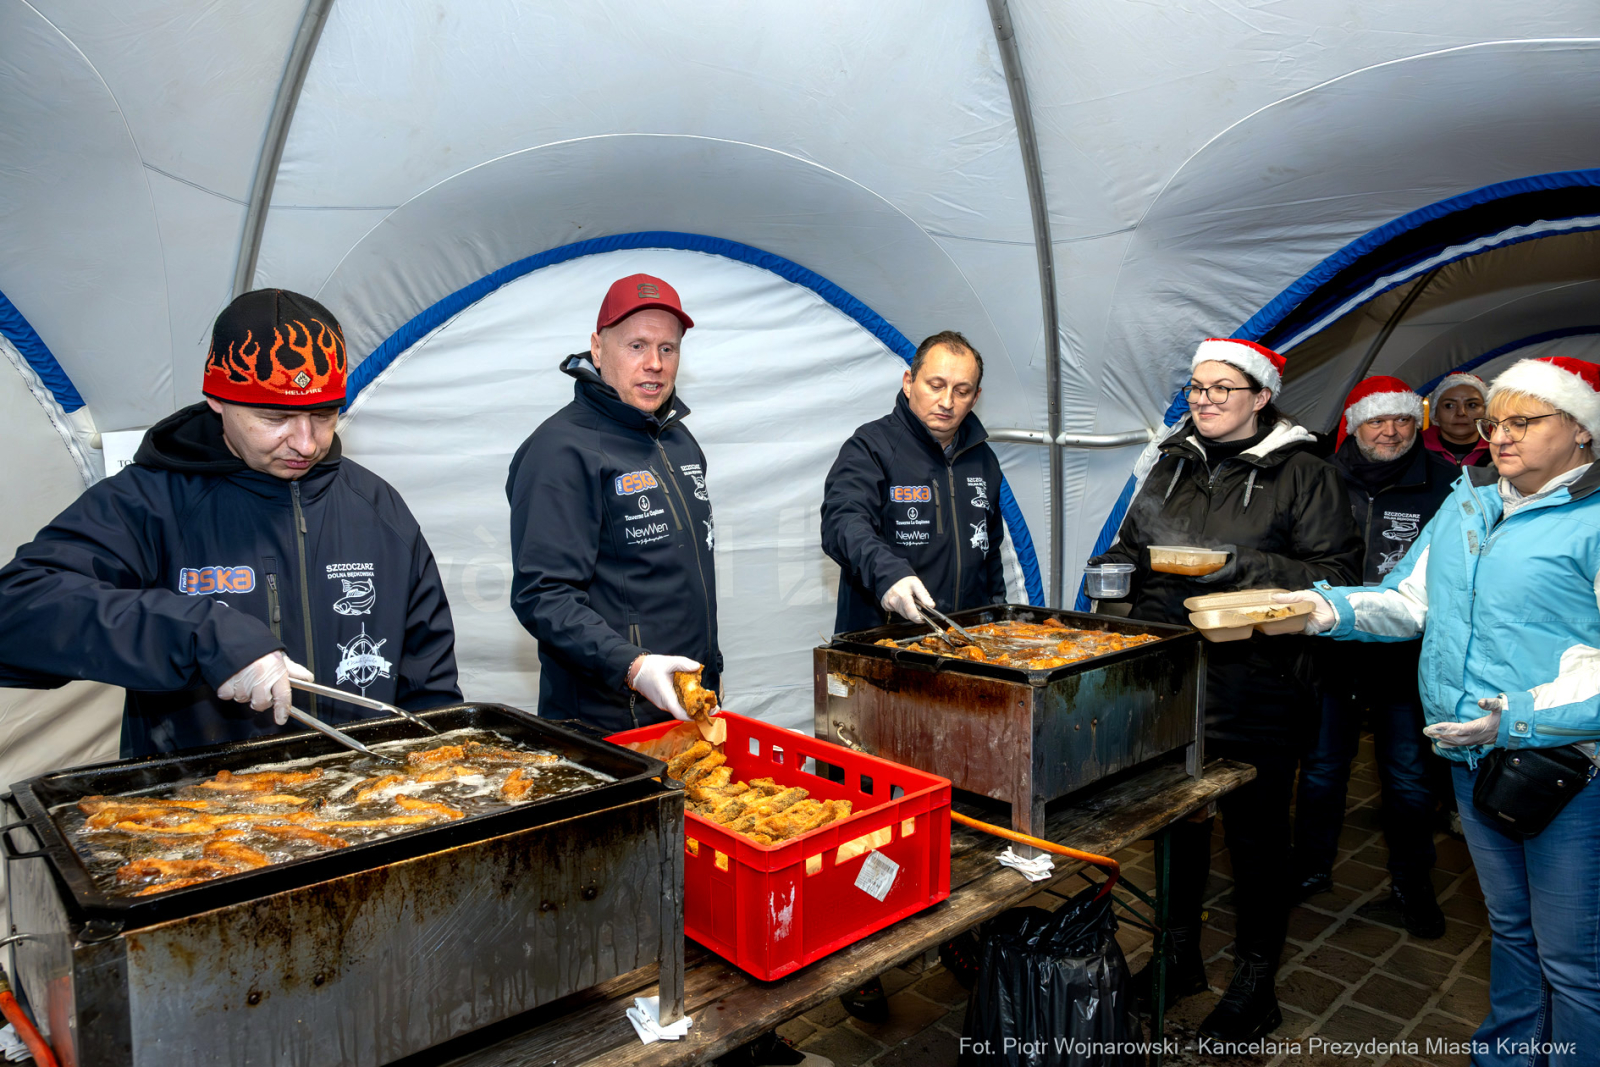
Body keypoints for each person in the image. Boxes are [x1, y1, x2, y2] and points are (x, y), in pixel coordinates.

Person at [1277, 355, 1600, 1067]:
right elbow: (1409, 599)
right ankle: (1509, 1055)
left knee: (1575, 959)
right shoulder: (1471, 498)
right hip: (1473, 756)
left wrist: (1514, 718)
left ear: (1582, 431)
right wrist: (1323, 606)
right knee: (1512, 929)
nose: (1498, 437)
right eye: (1494, 423)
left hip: (1571, 769)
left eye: (1523, 421)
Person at [0, 290, 461, 756]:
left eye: (323, 415)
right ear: (218, 401)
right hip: (201, 808)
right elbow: (16, 610)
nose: (305, 443)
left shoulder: (375, 505)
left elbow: (429, 688)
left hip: (364, 800)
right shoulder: (148, 501)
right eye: (275, 417)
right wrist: (204, 635)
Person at [1090, 338, 1361, 1042]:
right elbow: (1135, 543)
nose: (1203, 401)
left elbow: (1335, 575)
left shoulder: (1305, 471)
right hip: (1173, 680)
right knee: (1177, 823)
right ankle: (1178, 956)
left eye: (1220, 389)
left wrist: (1239, 565)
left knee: (1256, 838)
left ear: (1261, 395)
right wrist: (1113, 567)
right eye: (1196, 389)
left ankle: (1254, 980)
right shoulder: (1172, 460)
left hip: (1260, 684)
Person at [507, 274, 719, 733]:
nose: (655, 364)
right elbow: (543, 596)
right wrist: (634, 667)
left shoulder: (678, 441)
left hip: (688, 705)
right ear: (598, 349)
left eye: (668, 349)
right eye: (636, 346)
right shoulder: (560, 451)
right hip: (606, 720)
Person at [1291, 377, 1452, 937]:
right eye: (1378, 420)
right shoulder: (1319, 476)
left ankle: (1413, 882)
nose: (1391, 430)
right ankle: (1310, 868)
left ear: (1418, 424)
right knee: (1321, 769)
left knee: (1408, 778)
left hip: (1404, 656)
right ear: (1354, 424)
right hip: (1330, 648)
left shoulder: (1448, 486)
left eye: (1403, 420)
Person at [821, 330, 1006, 633]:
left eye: (961, 391)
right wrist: (889, 575)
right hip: (885, 644)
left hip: (966, 646)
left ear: (975, 398)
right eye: (936, 386)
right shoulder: (871, 446)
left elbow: (990, 550)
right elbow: (842, 523)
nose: (946, 401)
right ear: (909, 383)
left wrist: (998, 617)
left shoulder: (983, 459)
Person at [1423, 372, 1491, 469]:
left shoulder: (1503, 449)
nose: (1461, 413)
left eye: (1472, 405)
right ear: (1435, 413)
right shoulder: (1413, 450)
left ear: (1485, 412)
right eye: (1449, 405)